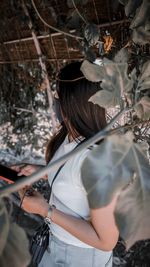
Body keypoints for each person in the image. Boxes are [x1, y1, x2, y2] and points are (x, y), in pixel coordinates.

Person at [19, 62, 119, 267]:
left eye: (58, 96)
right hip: (56, 243)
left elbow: (106, 240)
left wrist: (44, 210)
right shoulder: (70, 136)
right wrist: (42, 172)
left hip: (81, 257)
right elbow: (73, 180)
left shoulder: (96, 162)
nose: (55, 102)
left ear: (73, 102)